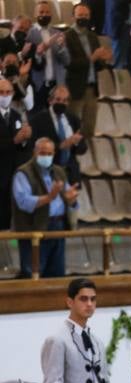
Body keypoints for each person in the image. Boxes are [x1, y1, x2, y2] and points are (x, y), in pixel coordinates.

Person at [41, 277, 116, 383]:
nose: (89, 304)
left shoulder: (97, 342)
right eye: (83, 299)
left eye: (93, 299)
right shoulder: (57, 340)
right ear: (70, 302)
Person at [12, 136, 79, 278]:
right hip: (35, 228)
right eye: (42, 153)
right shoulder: (23, 173)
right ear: (34, 152)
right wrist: (49, 198)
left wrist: (71, 200)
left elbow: (68, 195)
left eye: (49, 154)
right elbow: (23, 202)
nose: (46, 157)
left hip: (58, 228)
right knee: (34, 274)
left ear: (54, 154)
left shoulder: (59, 172)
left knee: (57, 274)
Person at [65, 3, 112, 139]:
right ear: (73, 16)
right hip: (75, 89)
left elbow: (98, 64)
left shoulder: (92, 36)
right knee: (73, 127)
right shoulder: (68, 36)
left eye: (86, 15)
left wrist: (104, 59)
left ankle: (88, 156)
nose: (83, 18)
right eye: (80, 15)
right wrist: (92, 58)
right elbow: (70, 63)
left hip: (92, 88)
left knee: (89, 128)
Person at [30, 85, 87, 187]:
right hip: (48, 172)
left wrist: (76, 142)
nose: (61, 103)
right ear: (50, 100)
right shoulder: (38, 120)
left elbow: (83, 149)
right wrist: (61, 145)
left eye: (65, 100)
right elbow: (33, 147)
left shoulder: (74, 119)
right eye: (58, 99)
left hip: (70, 174)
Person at [26, 1, 70, 111]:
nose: (44, 14)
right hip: (39, 85)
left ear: (51, 14)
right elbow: (28, 60)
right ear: (35, 14)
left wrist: (62, 48)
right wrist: (39, 53)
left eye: (47, 12)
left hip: (57, 85)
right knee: (39, 118)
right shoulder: (30, 34)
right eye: (41, 12)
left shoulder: (58, 33)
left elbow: (67, 61)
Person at [0, 76, 31, 230]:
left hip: (13, 171)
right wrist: (15, 141)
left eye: (8, 92)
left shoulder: (16, 115)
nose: (5, 96)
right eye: (1, 92)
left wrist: (25, 138)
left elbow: (22, 147)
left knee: (10, 214)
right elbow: (13, 141)